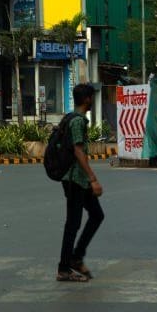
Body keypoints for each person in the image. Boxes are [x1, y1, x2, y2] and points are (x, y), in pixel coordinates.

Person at [56, 83, 105, 283]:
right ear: (86, 99)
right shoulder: (77, 121)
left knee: (97, 215)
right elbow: (78, 151)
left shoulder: (73, 118)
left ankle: (76, 257)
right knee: (73, 224)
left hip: (78, 180)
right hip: (74, 179)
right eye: (92, 97)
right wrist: (93, 178)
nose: (93, 101)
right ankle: (64, 268)